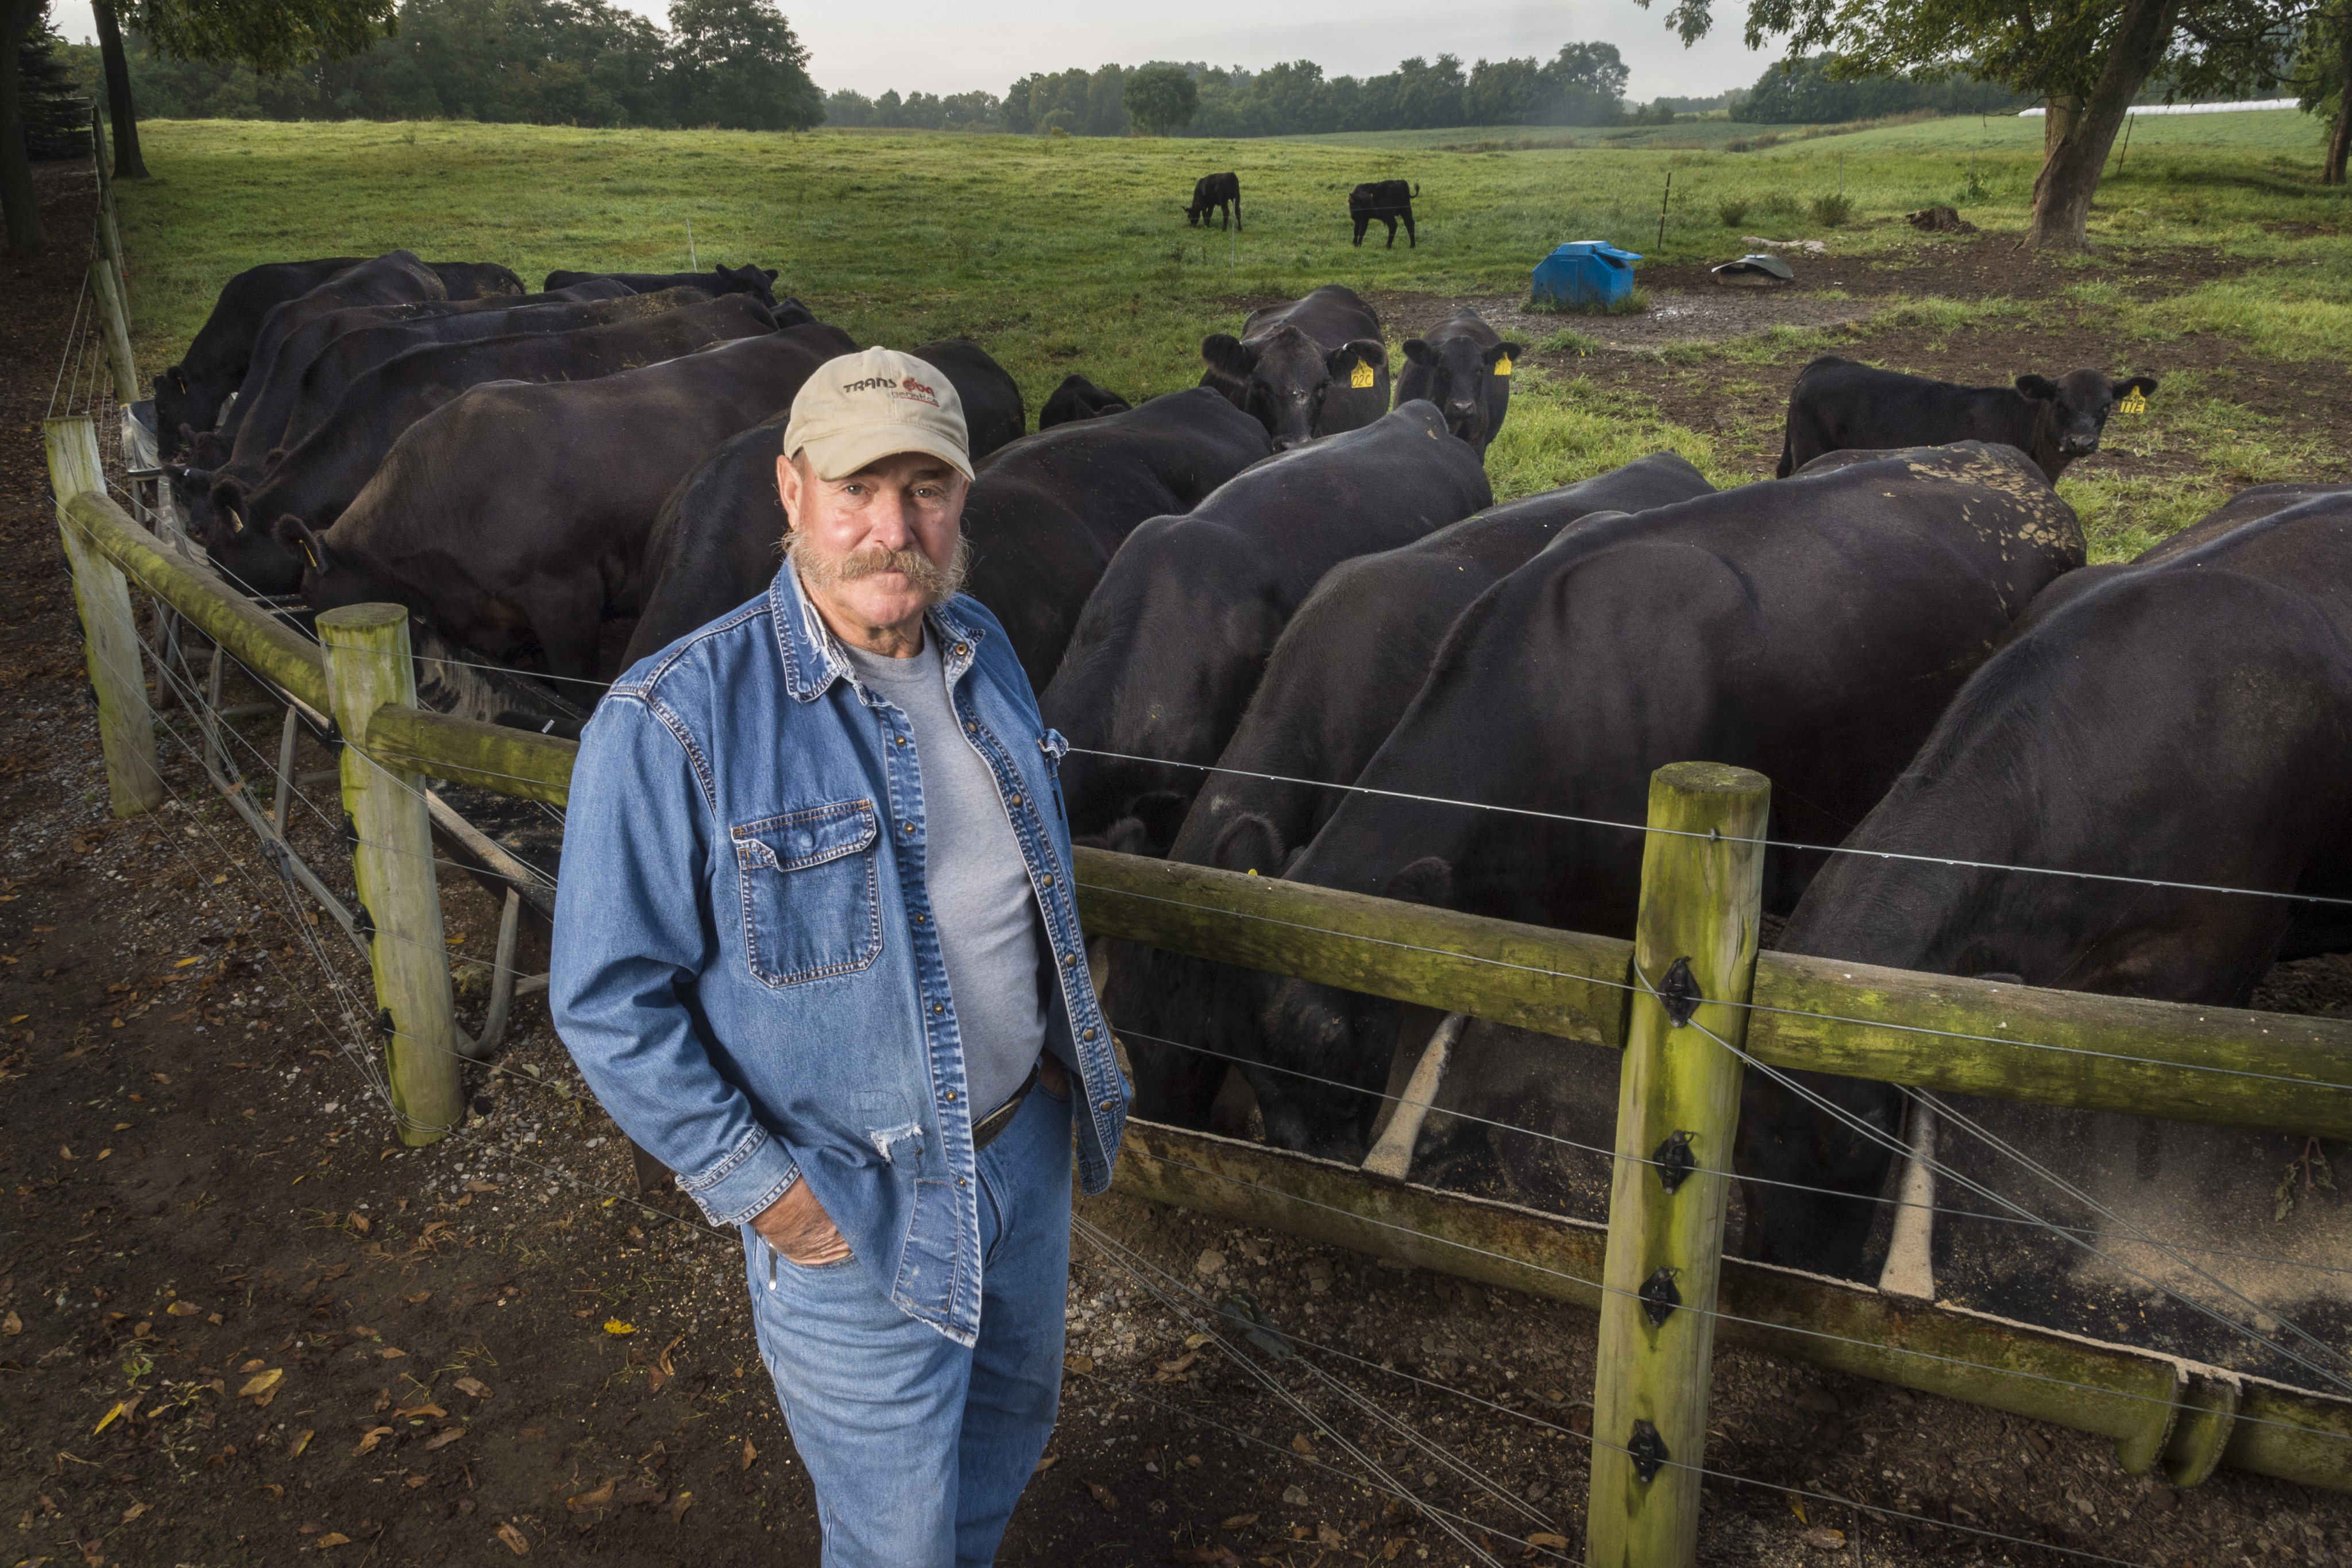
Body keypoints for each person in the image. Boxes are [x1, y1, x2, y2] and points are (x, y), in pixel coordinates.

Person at [551, 346, 1129, 1567]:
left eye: (925, 488)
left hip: (1020, 1153)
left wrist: (1071, 1044)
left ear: (963, 499)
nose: (891, 528)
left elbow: (1014, 881)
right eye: (858, 488)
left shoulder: (980, 649)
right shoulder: (671, 719)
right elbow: (607, 1001)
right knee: (892, 1539)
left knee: (1002, 1444)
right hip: (854, 1203)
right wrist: (764, 1192)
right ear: (792, 492)